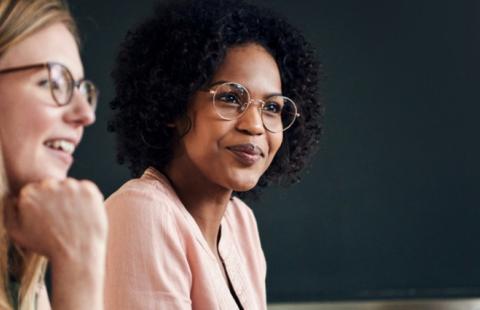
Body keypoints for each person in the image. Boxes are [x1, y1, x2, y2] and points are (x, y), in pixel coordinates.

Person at [105, 0, 323, 308]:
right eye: (231, 97)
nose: (255, 125)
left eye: (272, 107)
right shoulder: (142, 211)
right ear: (174, 103)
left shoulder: (240, 222)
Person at [0, 0, 107, 309]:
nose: (85, 114)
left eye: (81, 90)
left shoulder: (22, 263)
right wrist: (79, 262)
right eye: (53, 82)